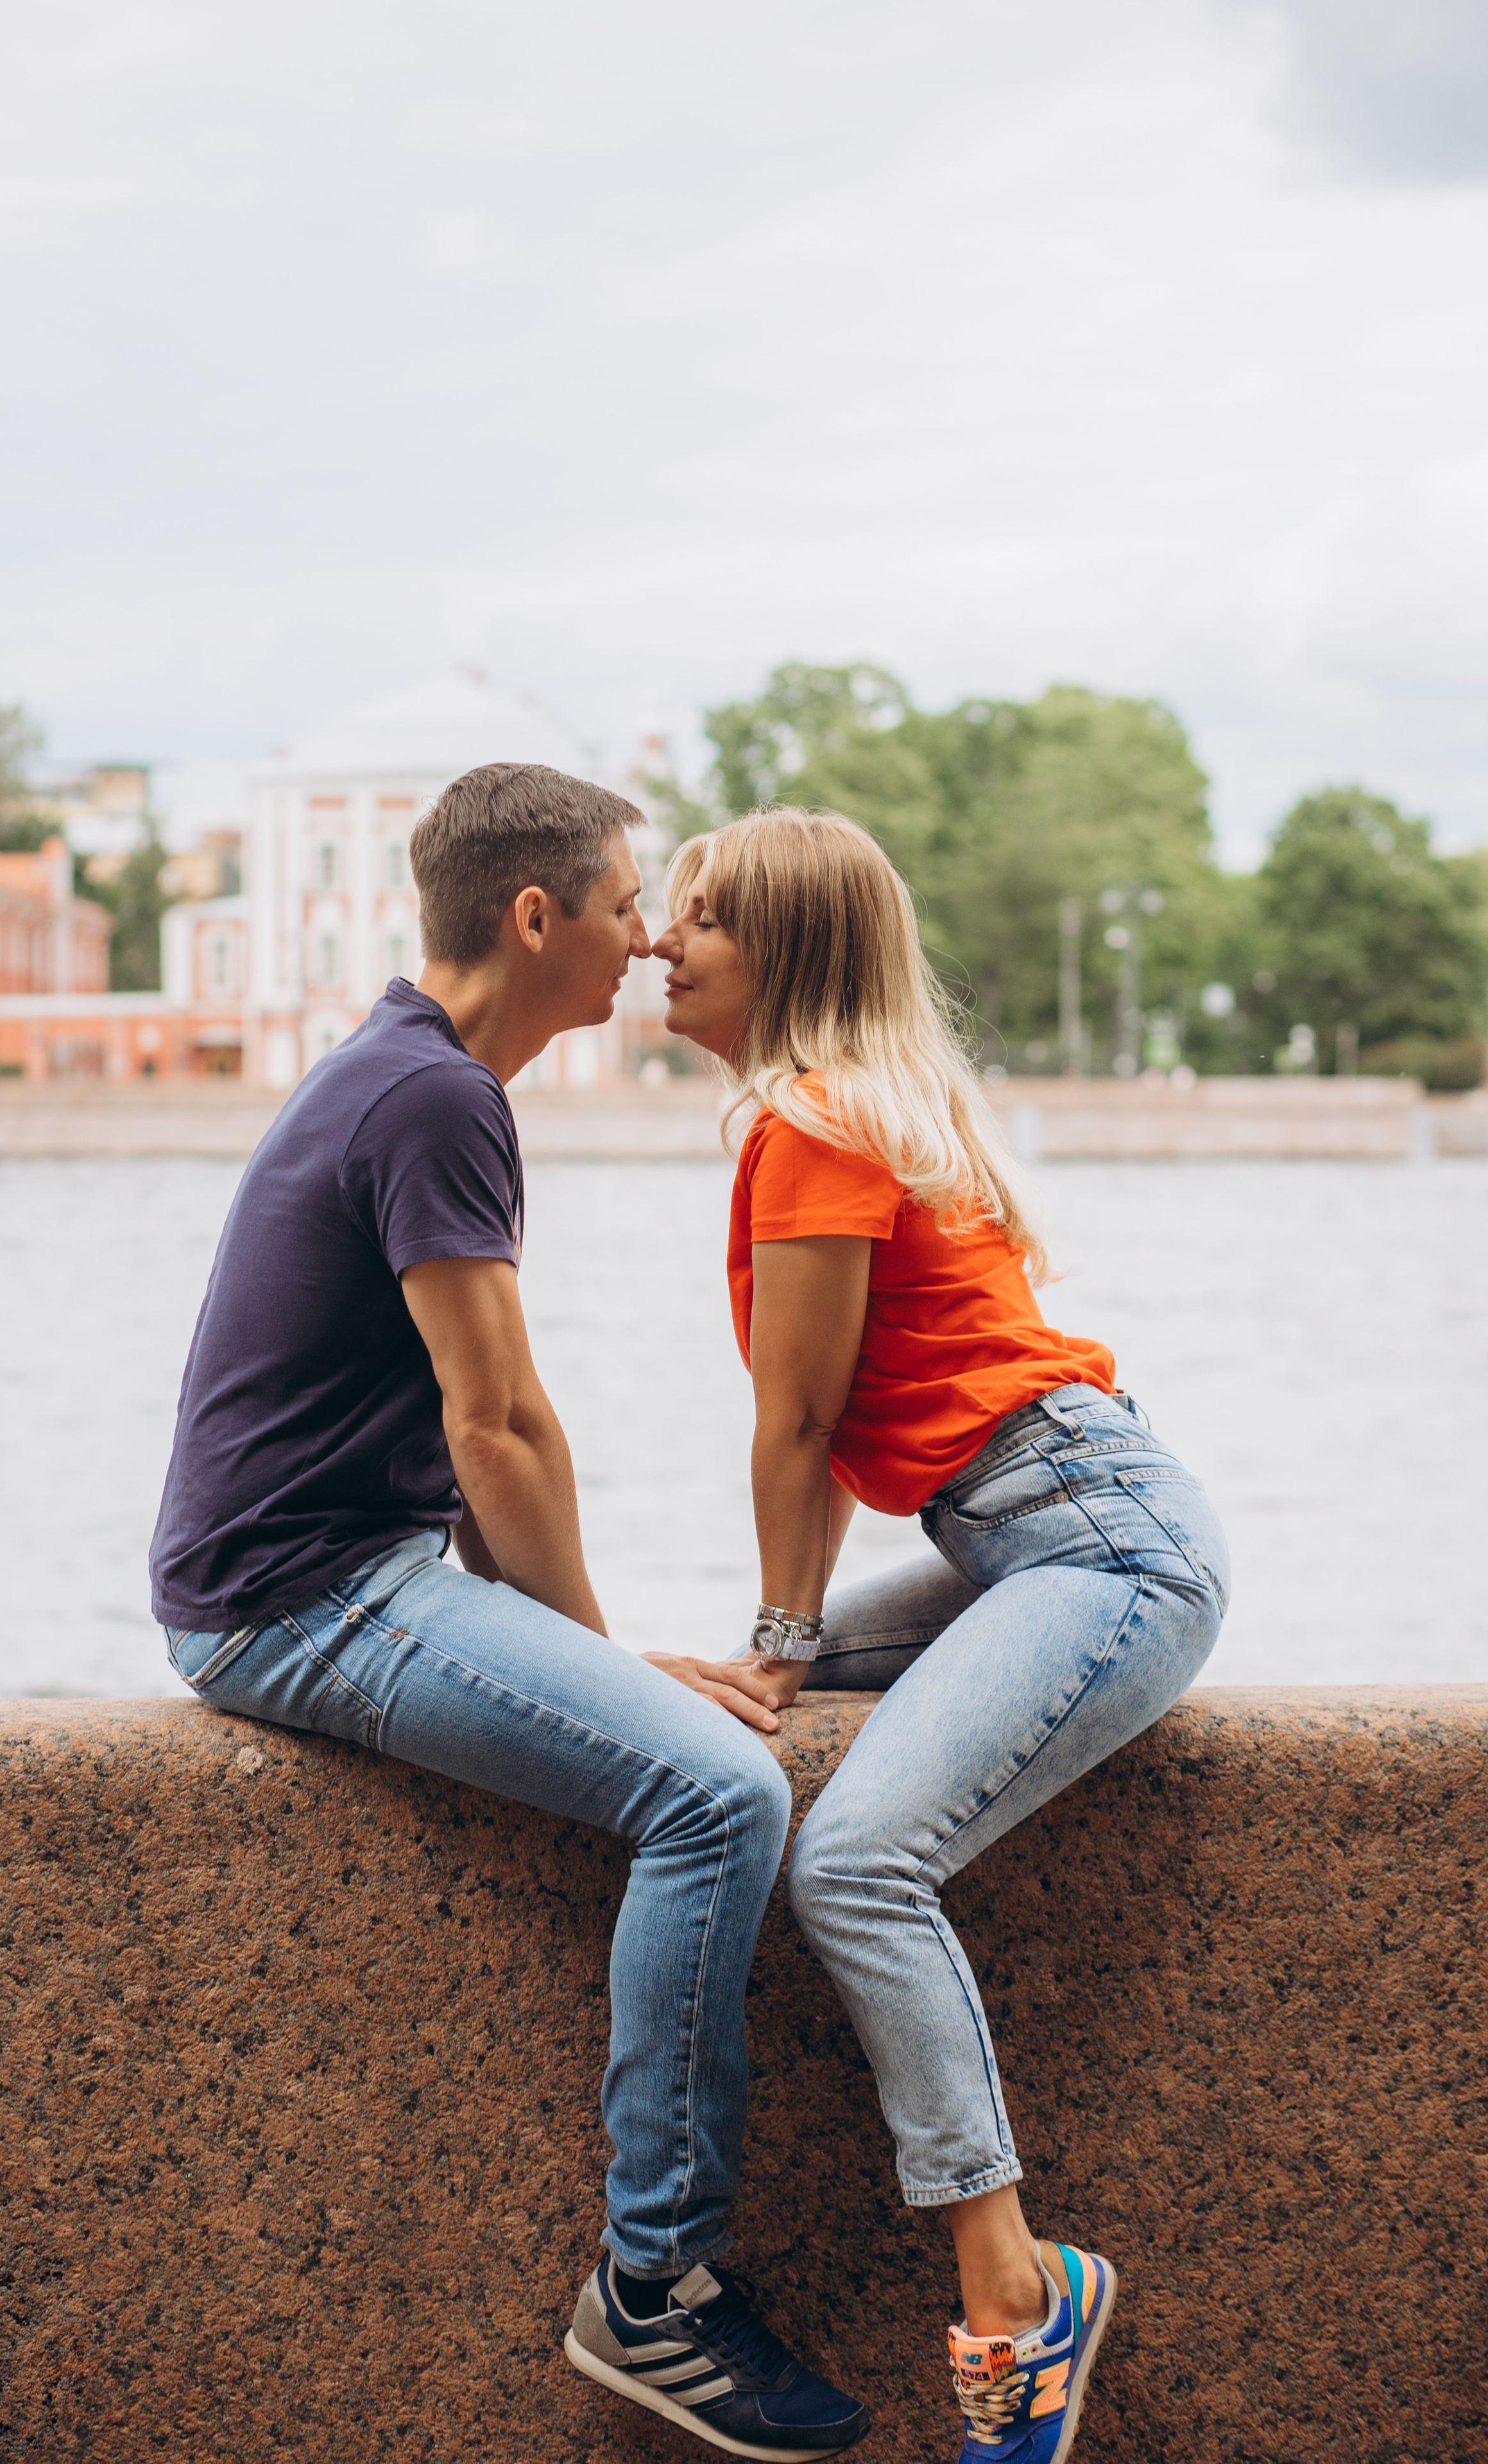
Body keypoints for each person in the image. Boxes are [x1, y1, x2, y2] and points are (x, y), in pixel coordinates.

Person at [149, 764, 871, 2461]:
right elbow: (500, 1422)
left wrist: (580, 1661)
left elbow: (464, 1437)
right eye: (626, 903)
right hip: (297, 1595)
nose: (645, 939)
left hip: (324, 1569)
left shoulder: (416, 1073)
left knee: (687, 1761)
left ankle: (658, 2276)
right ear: (534, 916)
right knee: (716, 1790)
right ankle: (656, 2285)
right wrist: (593, 1662)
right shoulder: (435, 1100)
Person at [653, 807, 1229, 2464]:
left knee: (853, 1863)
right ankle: (1010, 2277)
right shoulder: (843, 1112)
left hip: (1094, 1546)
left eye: (702, 920)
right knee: (757, 1679)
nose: (664, 948)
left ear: (787, 953)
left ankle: (1016, 2286)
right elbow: (831, 1434)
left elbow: (801, 1421)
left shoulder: (814, 1123)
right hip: (1026, 1533)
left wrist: (779, 1630)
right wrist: (782, 1646)